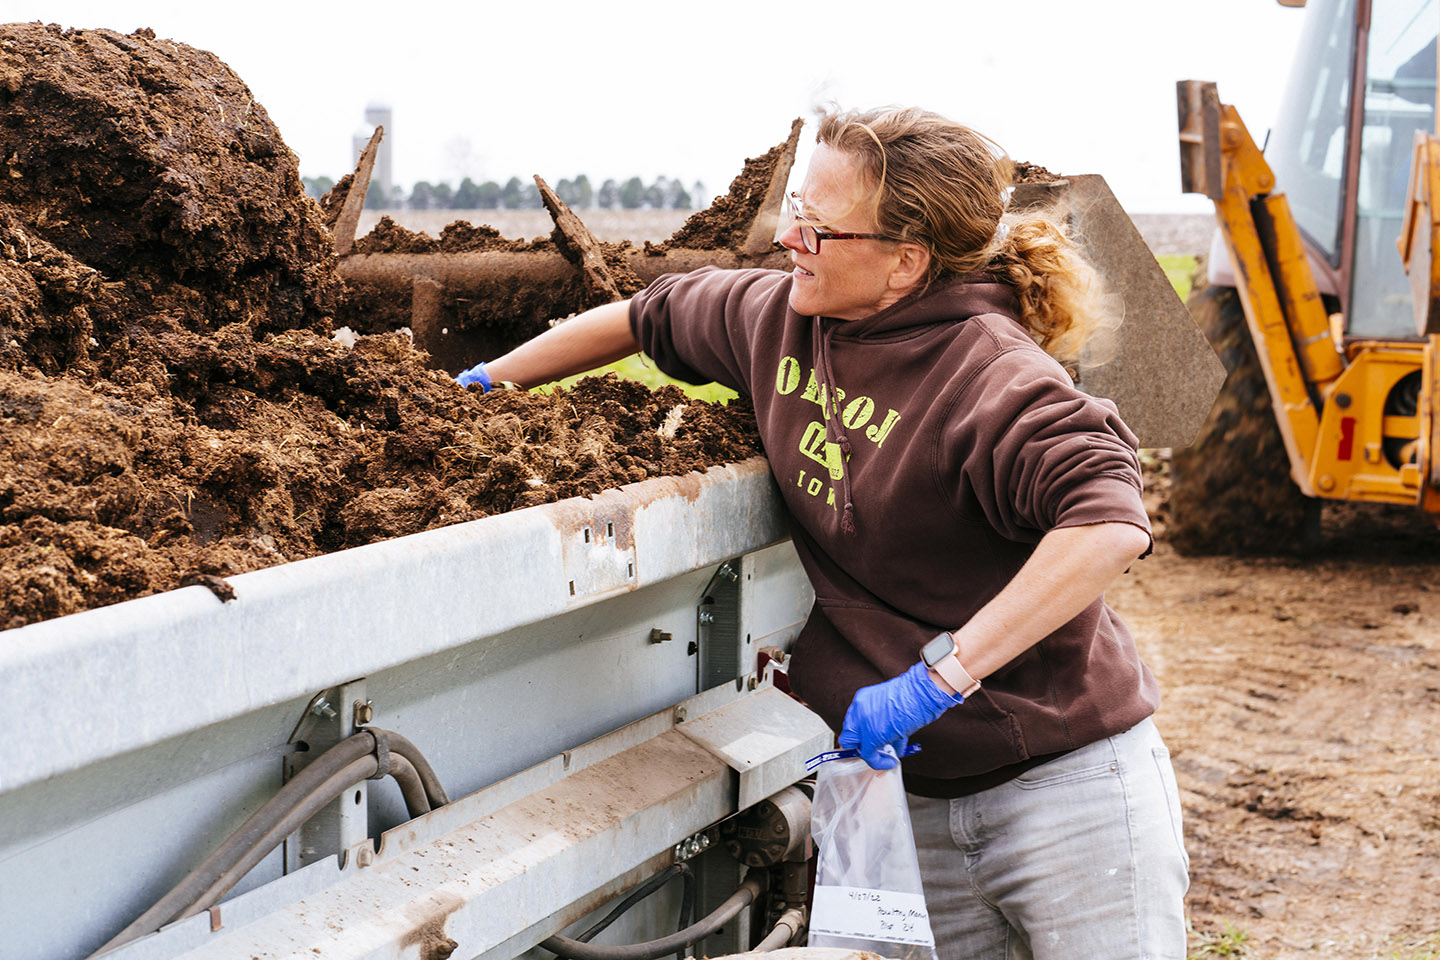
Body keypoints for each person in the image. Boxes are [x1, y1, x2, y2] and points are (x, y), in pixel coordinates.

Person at [459, 106, 1189, 960]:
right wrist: (482, 386)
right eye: (797, 212)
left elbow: (1107, 523)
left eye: (819, 225)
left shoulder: (989, 375)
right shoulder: (777, 323)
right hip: (908, 800)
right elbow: (640, 317)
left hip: (1064, 795)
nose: (789, 241)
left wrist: (941, 677)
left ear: (903, 262)